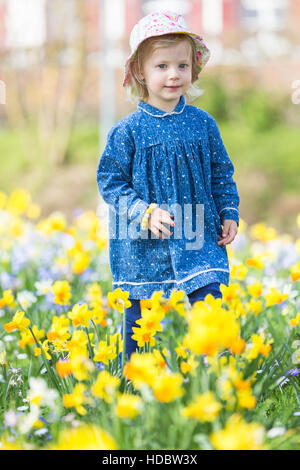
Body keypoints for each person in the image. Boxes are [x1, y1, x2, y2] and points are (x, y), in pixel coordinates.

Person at [96, 11, 240, 365]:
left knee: (209, 300)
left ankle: (215, 376)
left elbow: (221, 172)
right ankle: (134, 380)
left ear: (194, 69)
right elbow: (110, 181)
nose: (174, 74)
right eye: (161, 66)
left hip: (196, 227)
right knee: (141, 318)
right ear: (141, 73)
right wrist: (142, 211)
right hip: (142, 238)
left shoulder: (203, 124)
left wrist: (228, 211)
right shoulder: (127, 131)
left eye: (182, 65)